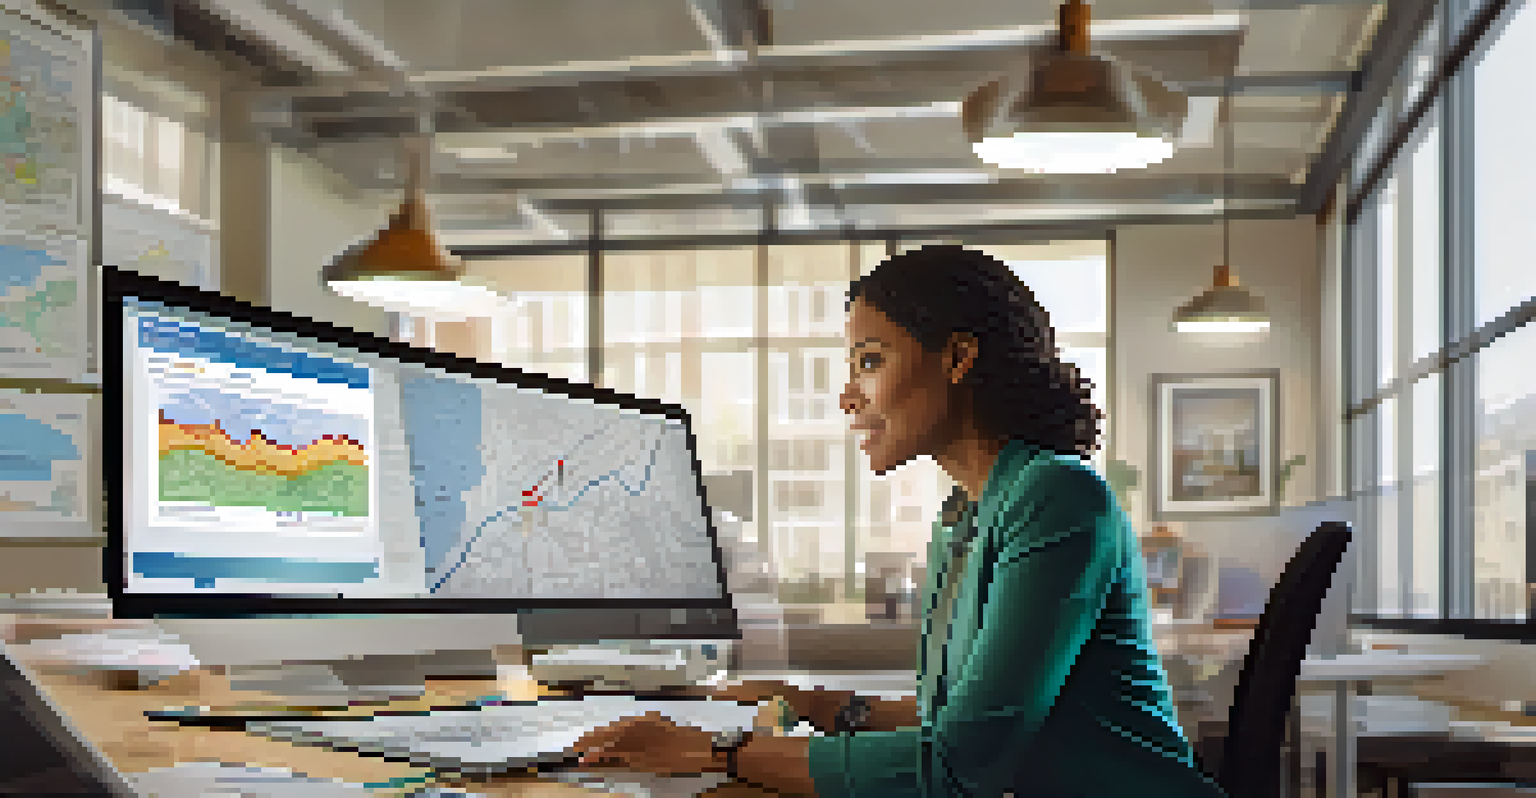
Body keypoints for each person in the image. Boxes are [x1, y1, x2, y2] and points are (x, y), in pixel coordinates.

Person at [570, 245, 1227, 797]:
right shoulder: (962, 514)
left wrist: (717, 751)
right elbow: (957, 722)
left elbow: (954, 769)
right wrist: (817, 704)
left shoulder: (1057, 497)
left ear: (957, 358)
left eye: (870, 360)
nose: (846, 396)